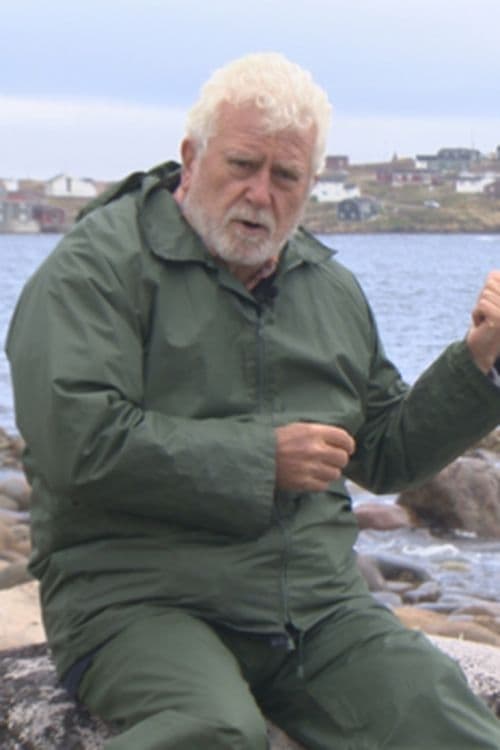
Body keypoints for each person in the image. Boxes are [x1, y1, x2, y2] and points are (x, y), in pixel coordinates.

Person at [6, 52, 500, 750]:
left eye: (285, 176)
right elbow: (75, 441)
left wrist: (482, 360)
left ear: (310, 185)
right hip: (134, 598)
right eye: (242, 164)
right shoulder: (94, 269)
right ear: (191, 157)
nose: (260, 193)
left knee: (444, 722)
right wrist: (261, 459)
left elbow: (387, 454)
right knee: (216, 731)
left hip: (314, 608)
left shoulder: (328, 289)